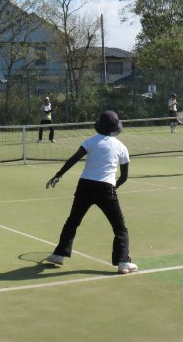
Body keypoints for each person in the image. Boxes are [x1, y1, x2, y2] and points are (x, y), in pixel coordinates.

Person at [43, 110, 138, 275]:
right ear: (115, 127)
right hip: (106, 188)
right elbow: (124, 177)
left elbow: (74, 158)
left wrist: (58, 175)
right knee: (120, 229)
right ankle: (123, 262)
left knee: (72, 221)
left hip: (85, 186)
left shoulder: (91, 141)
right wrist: (111, 188)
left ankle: (59, 255)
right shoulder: (122, 147)